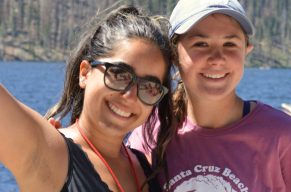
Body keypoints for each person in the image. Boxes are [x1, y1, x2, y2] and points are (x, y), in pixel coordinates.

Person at [128, 0, 291, 191]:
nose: (217, 58)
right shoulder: (151, 129)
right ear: (174, 54)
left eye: (230, 44)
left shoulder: (283, 135)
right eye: (201, 44)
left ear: (246, 51)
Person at [0, 5, 174, 192]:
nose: (130, 96)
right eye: (119, 74)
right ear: (85, 73)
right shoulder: (50, 154)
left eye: (149, 87)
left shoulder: (146, 167)